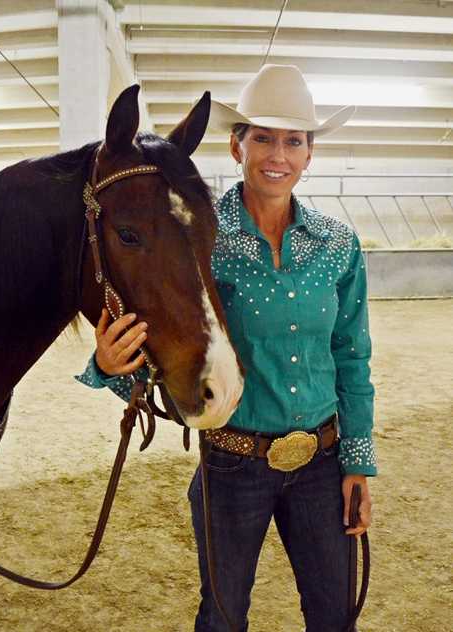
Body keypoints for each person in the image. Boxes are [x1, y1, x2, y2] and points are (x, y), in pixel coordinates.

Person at [77, 64, 376, 632]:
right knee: (221, 618)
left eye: (293, 141)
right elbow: (165, 335)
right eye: (261, 136)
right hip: (232, 463)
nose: (277, 155)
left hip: (322, 460)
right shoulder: (200, 234)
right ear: (236, 144)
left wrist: (357, 463)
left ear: (310, 154)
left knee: (336, 617)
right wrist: (110, 368)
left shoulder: (339, 243)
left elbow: (351, 356)